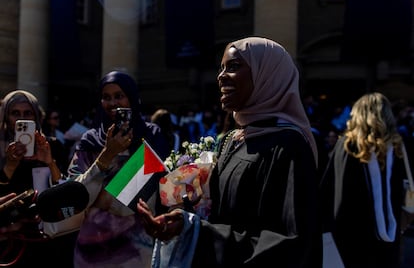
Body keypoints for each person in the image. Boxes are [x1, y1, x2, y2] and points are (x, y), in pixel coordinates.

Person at [137, 37, 322, 267]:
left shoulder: (289, 147)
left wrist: (198, 234)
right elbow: (212, 211)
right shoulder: (230, 141)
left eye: (233, 67)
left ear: (268, 76)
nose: (221, 76)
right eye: (221, 68)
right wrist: (179, 220)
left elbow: (290, 243)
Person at [66, 70, 170, 267]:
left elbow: (127, 203)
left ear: (131, 98)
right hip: (92, 251)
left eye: (119, 96)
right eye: (106, 97)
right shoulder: (90, 139)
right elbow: (75, 194)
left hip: (137, 251)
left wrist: (98, 196)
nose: (112, 103)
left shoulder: (151, 135)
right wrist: (108, 153)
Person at [320, 92, 410, 267]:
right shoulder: (397, 147)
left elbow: (330, 190)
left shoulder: (347, 145)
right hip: (388, 236)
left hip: (351, 235)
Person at [0, 90, 68, 267]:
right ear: (6, 117)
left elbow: (66, 188)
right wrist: (10, 166)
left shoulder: (52, 145)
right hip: (10, 240)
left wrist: (49, 162)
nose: (22, 119)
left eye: (28, 113)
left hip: (48, 237)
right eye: (15, 113)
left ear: (37, 116)